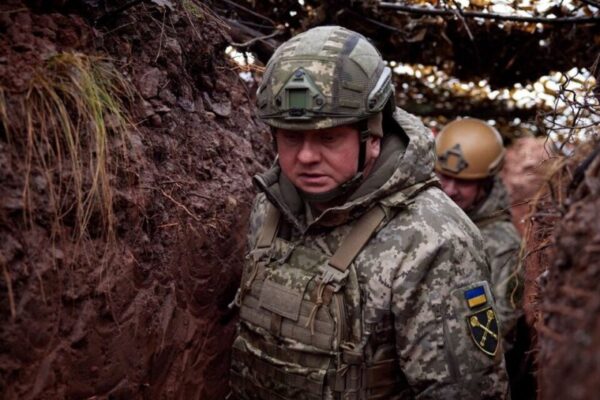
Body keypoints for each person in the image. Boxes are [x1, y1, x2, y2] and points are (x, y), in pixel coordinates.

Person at [230, 26, 509, 399]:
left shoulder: (435, 240)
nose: (306, 156)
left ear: (373, 135)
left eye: (329, 137)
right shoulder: (271, 206)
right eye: (291, 136)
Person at [435, 118, 532, 398]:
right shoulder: (431, 217)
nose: (450, 189)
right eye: (444, 177)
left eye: (463, 182)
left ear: (486, 183)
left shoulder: (503, 244)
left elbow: (497, 331)